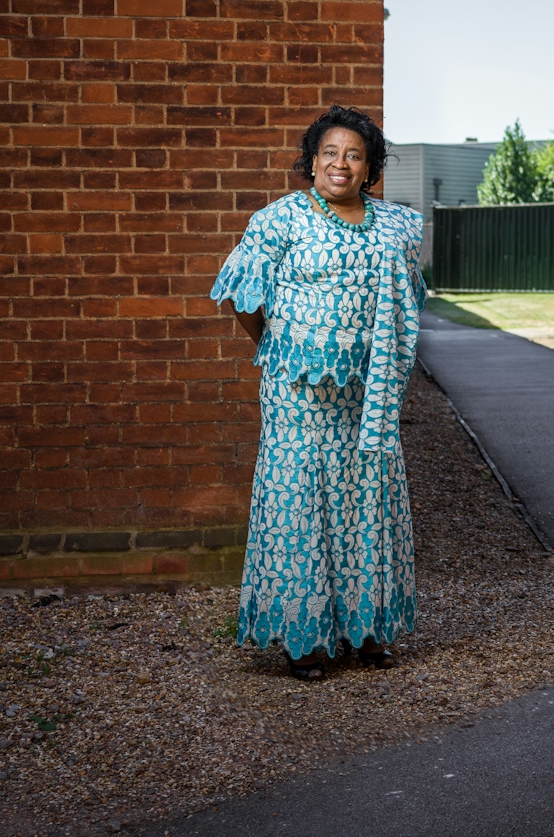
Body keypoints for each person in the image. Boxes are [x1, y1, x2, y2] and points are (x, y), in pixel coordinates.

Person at [210, 106, 426, 680]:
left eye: (354, 154)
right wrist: (278, 346)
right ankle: (305, 640)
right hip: (297, 400)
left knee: (368, 506)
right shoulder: (278, 221)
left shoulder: (399, 228)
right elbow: (240, 294)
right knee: (299, 506)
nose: (340, 163)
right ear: (311, 162)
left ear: (369, 167)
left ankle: (369, 632)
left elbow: (410, 306)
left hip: (368, 398)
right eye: (329, 152)